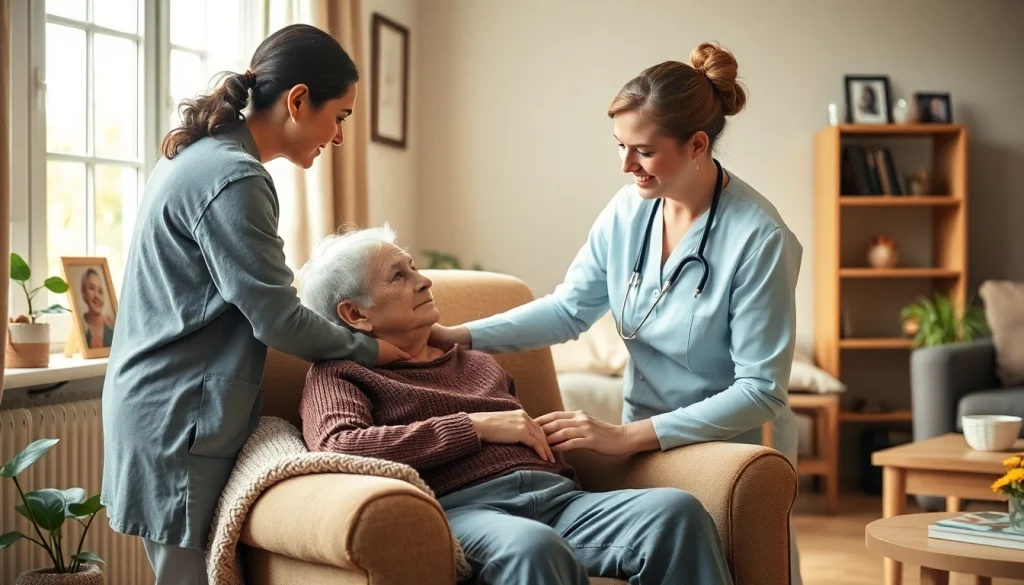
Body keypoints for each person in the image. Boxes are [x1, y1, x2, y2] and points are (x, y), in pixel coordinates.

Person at [429, 41, 805, 585]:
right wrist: (456, 336)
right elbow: (568, 311)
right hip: (641, 443)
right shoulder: (628, 209)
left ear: (697, 144)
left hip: (726, 448)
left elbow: (761, 391)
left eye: (644, 151)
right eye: (621, 146)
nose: (626, 165)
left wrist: (627, 437)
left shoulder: (759, 238)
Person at [100, 24, 410, 585]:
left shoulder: (201, 157)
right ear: (298, 100)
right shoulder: (234, 176)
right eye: (339, 116)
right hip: (178, 415)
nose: (341, 137)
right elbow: (277, 318)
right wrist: (372, 349)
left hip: (159, 405)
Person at [295, 225, 734, 585]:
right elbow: (339, 446)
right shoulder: (340, 373)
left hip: (560, 501)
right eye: (398, 276)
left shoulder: (476, 362)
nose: (423, 280)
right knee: (533, 549)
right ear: (356, 314)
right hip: (462, 511)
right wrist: (475, 426)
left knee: (676, 513)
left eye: (414, 268)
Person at [80, 268, 115, 348]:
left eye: (100, 291)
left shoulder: (112, 324)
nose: (97, 295)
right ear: (83, 293)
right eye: (91, 288)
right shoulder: (80, 326)